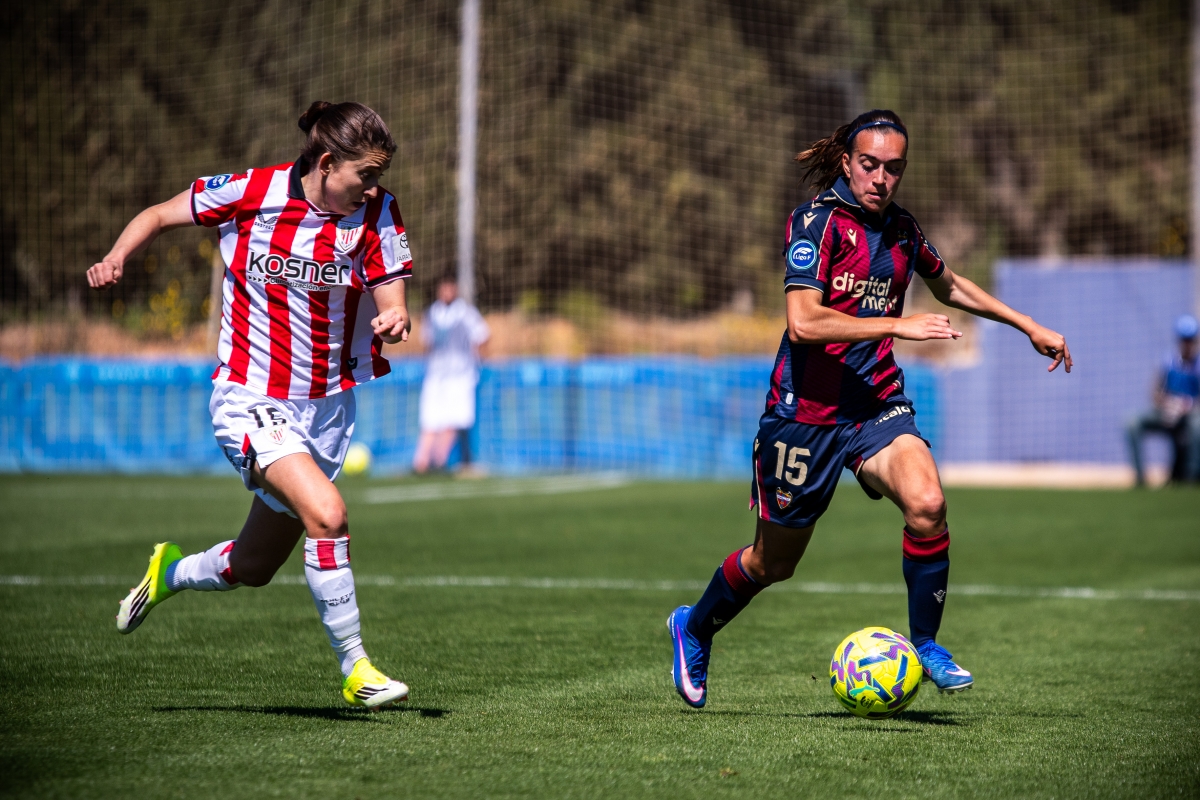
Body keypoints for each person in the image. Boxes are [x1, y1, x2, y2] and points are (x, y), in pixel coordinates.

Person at [667, 110, 1072, 708]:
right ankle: (695, 625)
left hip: (875, 405)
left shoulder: (903, 230)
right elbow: (802, 322)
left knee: (928, 503)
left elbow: (950, 283)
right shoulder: (816, 222)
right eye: (870, 165)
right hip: (802, 417)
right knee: (772, 563)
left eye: (894, 168)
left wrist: (1027, 324)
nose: (881, 178)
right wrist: (897, 324)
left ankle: (927, 644)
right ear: (847, 162)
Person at [89, 101, 415, 709]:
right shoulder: (251, 192)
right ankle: (356, 667)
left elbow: (388, 277)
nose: (372, 188)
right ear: (325, 162)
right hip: (251, 397)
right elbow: (161, 213)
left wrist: (394, 311)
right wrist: (117, 256)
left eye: (377, 176)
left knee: (253, 565)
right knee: (328, 514)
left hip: (327, 408)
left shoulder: (376, 209)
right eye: (363, 175)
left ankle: (170, 574)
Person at [412, 274, 490, 474]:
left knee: (453, 420)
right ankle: (421, 463)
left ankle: (439, 461)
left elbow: (482, 336)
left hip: (460, 375)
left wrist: (478, 360)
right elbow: (427, 343)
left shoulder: (465, 313)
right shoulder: (432, 313)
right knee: (430, 419)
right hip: (436, 374)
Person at [1126, 315, 1200, 485]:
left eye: (1190, 340)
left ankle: (1192, 479)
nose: (1187, 344)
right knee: (1132, 422)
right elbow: (1155, 392)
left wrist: (1187, 405)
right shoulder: (1168, 361)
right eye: (1183, 340)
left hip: (1192, 414)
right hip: (1168, 411)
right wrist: (1168, 403)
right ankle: (1140, 480)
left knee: (1197, 426)